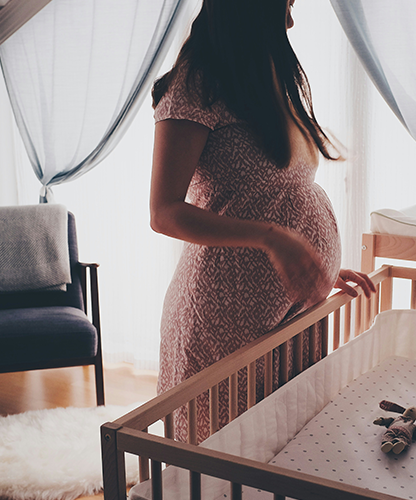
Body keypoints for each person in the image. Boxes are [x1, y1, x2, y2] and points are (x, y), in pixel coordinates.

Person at [150, 0, 376, 443]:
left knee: (279, 450)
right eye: (285, 5)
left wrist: (313, 268)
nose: (290, 19)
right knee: (224, 466)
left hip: (287, 320)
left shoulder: (266, 78)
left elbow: (274, 195)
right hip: (222, 324)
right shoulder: (195, 84)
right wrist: (273, 239)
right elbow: (164, 212)